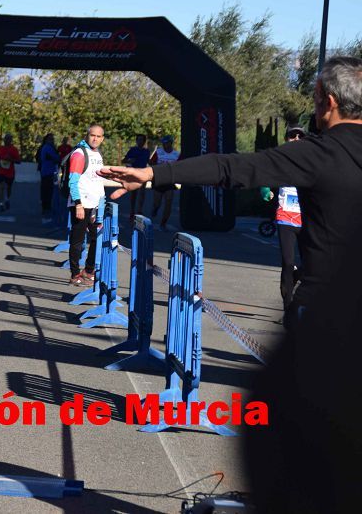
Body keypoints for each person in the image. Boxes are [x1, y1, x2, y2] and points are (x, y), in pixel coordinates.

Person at [98, 56, 362, 513]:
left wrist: (155, 174)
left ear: (328, 103)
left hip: (326, 320)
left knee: (307, 447)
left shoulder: (320, 153)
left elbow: (234, 168)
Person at [260, 126, 306, 312]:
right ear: (286, 138)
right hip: (285, 217)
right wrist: (265, 189)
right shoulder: (280, 159)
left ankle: (296, 278)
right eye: (291, 136)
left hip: (306, 220)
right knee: (287, 262)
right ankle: (288, 306)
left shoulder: (311, 159)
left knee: (313, 263)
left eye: (299, 136)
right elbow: (264, 175)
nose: (295, 138)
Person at [66, 125, 106, 288]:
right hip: (81, 204)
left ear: (102, 138)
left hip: (95, 205)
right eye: (92, 135)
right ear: (87, 135)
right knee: (77, 241)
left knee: (97, 238)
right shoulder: (79, 153)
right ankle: (75, 274)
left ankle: (89, 270)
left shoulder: (97, 154)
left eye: (99, 136)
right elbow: (72, 181)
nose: (95, 138)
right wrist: (78, 205)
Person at [148, 135, 180, 230]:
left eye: (166, 143)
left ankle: (163, 223)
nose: (164, 145)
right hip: (159, 180)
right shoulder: (159, 152)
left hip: (169, 180)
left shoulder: (176, 154)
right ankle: (155, 209)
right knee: (157, 203)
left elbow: (181, 166)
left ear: (170, 143)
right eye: (163, 143)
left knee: (168, 202)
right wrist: (159, 166)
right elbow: (151, 163)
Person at [121, 134, 151, 220]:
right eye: (139, 140)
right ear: (136, 141)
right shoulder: (132, 150)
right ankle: (132, 211)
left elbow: (148, 161)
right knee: (134, 193)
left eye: (142, 140)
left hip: (143, 173)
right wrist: (130, 160)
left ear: (144, 141)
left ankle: (139, 211)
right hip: (134, 173)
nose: (140, 142)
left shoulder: (147, 151)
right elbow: (124, 160)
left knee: (142, 192)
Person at [0, 133, 21, 211]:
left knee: (9, 188)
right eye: (6, 139)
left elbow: (19, 161)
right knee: (1, 187)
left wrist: (11, 159)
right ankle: (1, 204)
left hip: (10, 172)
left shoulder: (14, 149)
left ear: (11, 140)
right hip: (1, 171)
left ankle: (7, 199)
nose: (7, 140)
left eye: (9, 139)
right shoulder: (0, 148)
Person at [36, 133, 60, 223]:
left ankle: (46, 206)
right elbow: (55, 158)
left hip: (48, 171)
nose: (52, 140)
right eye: (50, 139)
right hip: (47, 172)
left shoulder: (49, 147)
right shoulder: (47, 148)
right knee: (47, 190)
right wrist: (58, 157)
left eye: (52, 139)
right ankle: (46, 207)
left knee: (47, 190)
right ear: (46, 140)